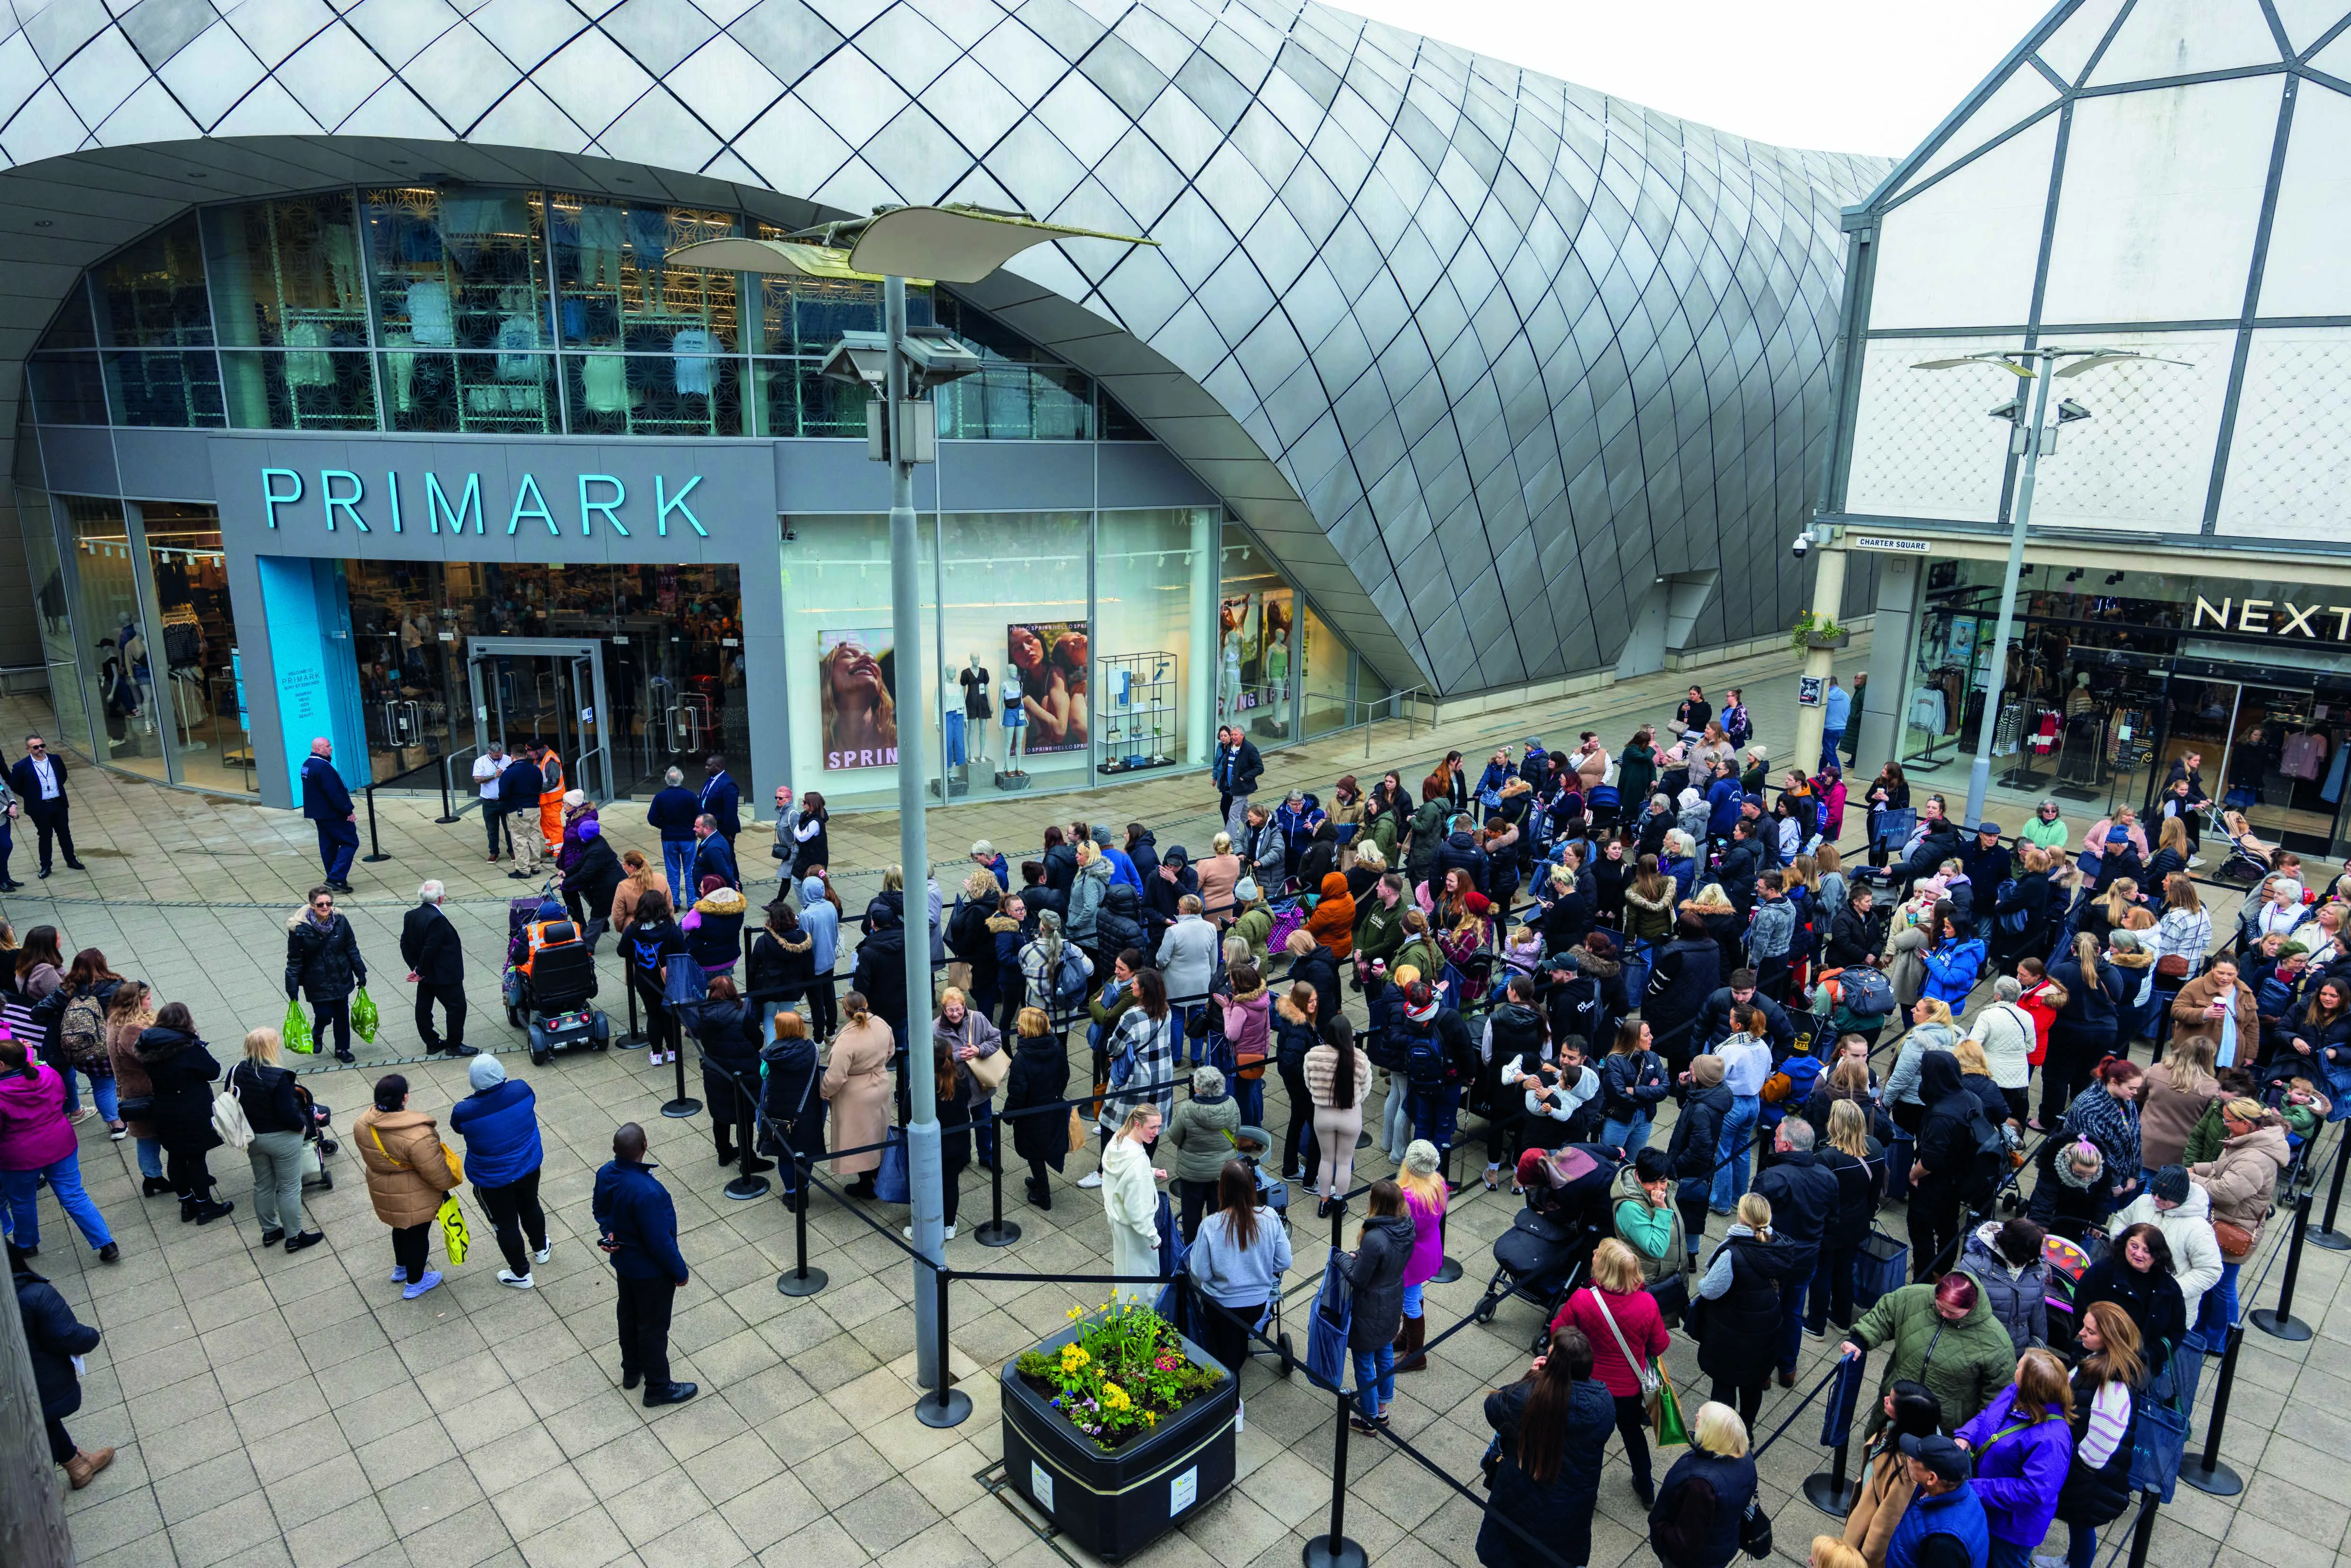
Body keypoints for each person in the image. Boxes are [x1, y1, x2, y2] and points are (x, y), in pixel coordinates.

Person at [1480, 1323, 1616, 1567]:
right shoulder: (1603, 1402)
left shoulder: (1529, 1397)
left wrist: (1531, 1378)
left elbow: (1494, 1407)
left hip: (1521, 1499)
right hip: (1571, 1506)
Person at [1559, 1237, 1671, 1504]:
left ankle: (1588, 1495)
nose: (1594, 1253)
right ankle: (1646, 1488)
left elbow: (1559, 1334)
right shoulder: (1647, 1303)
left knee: (1590, 1442)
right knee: (1633, 1435)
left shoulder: (1583, 1298)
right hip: (1629, 1389)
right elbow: (1659, 1345)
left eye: (1598, 1253)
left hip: (1590, 1386)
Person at [593, 1122, 696, 1405]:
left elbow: (600, 1209)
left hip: (625, 1263)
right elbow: (659, 1241)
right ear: (645, 1146)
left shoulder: (605, 1173)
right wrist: (680, 1271)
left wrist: (608, 1231)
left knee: (628, 1316)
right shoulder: (648, 1192)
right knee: (652, 1328)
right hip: (651, 1272)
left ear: (615, 1150)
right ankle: (658, 1388)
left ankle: (632, 1370)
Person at [1843, 1273, 2017, 1436]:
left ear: (1972, 1307)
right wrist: (1860, 1340)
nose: (1944, 1314)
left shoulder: (1996, 1341)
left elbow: (1997, 1396)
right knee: (1878, 1455)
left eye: (1952, 1313)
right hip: (1894, 1407)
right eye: (1940, 1307)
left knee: (1918, 1467)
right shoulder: (1912, 1297)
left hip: (1941, 1426)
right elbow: (1884, 1315)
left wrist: (1972, 1434)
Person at [0, 1030, 118, 1260]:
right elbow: (62, 1097)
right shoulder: (46, 1073)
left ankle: (27, 1244)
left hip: (19, 1157)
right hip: (61, 1145)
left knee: (22, 1201)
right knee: (74, 1195)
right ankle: (106, 1243)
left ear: (2, 1065)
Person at [1955, 1348, 2075, 1568]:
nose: (2015, 1368)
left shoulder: (2052, 1439)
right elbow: (1988, 1415)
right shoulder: (2014, 1392)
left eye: (2020, 1366)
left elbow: (2033, 1491)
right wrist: (1966, 1436)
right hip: (1984, 1509)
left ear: (2031, 1386)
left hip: (2010, 1532)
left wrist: (1973, 1488)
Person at [2186, 1097, 2287, 1341]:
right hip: (2227, 1222)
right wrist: (2195, 1169)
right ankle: (2204, 1334)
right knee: (2214, 1283)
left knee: (2222, 1287)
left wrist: (2190, 1179)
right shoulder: (2249, 1144)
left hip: (2234, 1227)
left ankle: (2222, 1341)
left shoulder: (2256, 1158)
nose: (2225, 1124)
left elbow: (2226, 1191)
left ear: (2246, 1123)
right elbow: (2224, 1167)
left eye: (2228, 1120)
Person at [11, 1247, 111, 1488]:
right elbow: (69, 1336)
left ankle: (77, 1464)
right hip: (33, 1380)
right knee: (39, 1419)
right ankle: (44, 1489)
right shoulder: (34, 1294)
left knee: (41, 1420)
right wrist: (92, 1336)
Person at [352, 1072, 458, 1298]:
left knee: (400, 1226)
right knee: (417, 1235)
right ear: (405, 1099)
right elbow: (438, 1175)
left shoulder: (363, 1123)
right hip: (414, 1192)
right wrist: (450, 1182)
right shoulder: (418, 1134)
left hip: (383, 1186)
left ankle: (401, 1268)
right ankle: (416, 1282)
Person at [2054, 1302, 2143, 1568]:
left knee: (2082, 1526)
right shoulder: (2102, 1361)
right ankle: (2071, 1561)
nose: (2081, 1333)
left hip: (2088, 1479)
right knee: (2079, 1524)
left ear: (2110, 1339)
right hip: (2086, 1479)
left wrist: (2072, 1468)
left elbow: (2097, 1451)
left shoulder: (2112, 1386)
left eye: (2090, 1331)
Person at [448, 1053, 548, 1287]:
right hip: (529, 1166)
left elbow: (458, 1129)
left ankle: (521, 1274)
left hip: (492, 1180)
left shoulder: (464, 1111)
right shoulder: (522, 1090)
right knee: (531, 1205)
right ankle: (541, 1248)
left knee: (506, 1225)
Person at [1186, 1156, 1291, 1374]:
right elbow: (1284, 1261)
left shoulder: (1211, 1225)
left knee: (1227, 1355)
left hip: (1220, 1305)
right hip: (1257, 1304)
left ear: (1222, 1189)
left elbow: (1200, 1272)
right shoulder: (1270, 1217)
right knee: (1237, 1345)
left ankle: (1231, 1397)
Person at [1755, 1115, 1840, 1381]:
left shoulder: (1771, 1178)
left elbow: (1754, 1225)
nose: (1775, 1140)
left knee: (1767, 1312)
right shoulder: (1828, 1178)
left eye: (1778, 1137)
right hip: (1806, 1259)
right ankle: (1788, 1368)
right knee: (1793, 1312)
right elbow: (1832, 1221)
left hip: (1774, 1259)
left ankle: (1764, 1369)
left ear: (1787, 1146)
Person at [1696, 1192, 1792, 1423]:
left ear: (1742, 1218)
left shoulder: (1733, 1253)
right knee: (1753, 1386)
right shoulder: (1779, 1247)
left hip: (1731, 1335)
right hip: (1765, 1333)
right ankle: (1746, 1431)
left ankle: (1720, 1438)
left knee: (1724, 1386)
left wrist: (1700, 1282)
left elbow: (1709, 1290)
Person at [138, 1001, 233, 1225]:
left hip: (164, 1108)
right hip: (191, 1109)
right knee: (196, 1156)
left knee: (176, 1155)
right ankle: (205, 1205)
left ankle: (187, 1203)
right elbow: (213, 1071)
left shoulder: (147, 1046)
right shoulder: (188, 1048)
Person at [230, 1026, 321, 1253]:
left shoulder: (236, 1071)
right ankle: (294, 1237)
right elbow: (286, 1112)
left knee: (263, 1185)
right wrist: (301, 1128)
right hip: (282, 1138)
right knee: (290, 1187)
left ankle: (270, 1231)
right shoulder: (281, 1076)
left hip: (252, 1138)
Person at [2105, 1164, 2223, 1329]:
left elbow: (2210, 1271)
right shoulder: (2143, 1203)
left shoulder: (2199, 1229)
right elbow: (2122, 1221)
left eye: (2165, 1197)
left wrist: (2170, 1291)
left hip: (2166, 1312)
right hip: (2127, 1295)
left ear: (2180, 1198)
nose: (2157, 1199)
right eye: (2154, 1192)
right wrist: (2121, 1248)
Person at [1909, 1053, 1990, 1282]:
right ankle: (1941, 1270)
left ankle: (1923, 1279)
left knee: (1921, 1230)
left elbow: (1932, 1159)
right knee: (1949, 1225)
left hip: (1935, 1182)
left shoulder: (1942, 1115)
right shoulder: (1970, 1098)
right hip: (1959, 1177)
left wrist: (1914, 1174)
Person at [680, 976, 774, 1175]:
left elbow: (704, 1041)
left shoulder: (704, 1014)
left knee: (720, 1113)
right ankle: (748, 1160)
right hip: (745, 1071)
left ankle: (724, 1153)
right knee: (745, 1116)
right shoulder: (743, 1014)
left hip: (716, 1072)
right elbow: (758, 1041)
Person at [1844, 1382, 1944, 1568]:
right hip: (1865, 1515)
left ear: (1907, 1417)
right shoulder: (1914, 1432)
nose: (1886, 1400)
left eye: (1891, 1401)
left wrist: (1864, 1561)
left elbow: (1887, 1526)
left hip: (1865, 1542)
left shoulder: (1909, 1470)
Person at [1649, 1401, 1759, 1568]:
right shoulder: (1744, 1457)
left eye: (1702, 1418)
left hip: (1694, 1561)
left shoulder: (1702, 1486)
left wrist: (1660, 1528)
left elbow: (1683, 1541)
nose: (1697, 1416)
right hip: (1721, 1546)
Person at [1342, 1178, 1414, 1431]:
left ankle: (1369, 1418)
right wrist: (1361, 1258)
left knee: (1363, 1363)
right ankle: (1382, 1410)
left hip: (1370, 1307)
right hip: (1393, 1300)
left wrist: (1345, 1260)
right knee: (1384, 1355)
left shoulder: (1374, 1238)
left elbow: (1358, 1279)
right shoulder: (1407, 1227)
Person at [2071, 1223, 2186, 1375]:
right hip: (2093, 1361)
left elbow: (2176, 1331)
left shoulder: (2169, 1288)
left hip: (2139, 1369)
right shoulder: (2101, 1273)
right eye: (2134, 1247)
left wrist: (2149, 1355)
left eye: (2147, 1250)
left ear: (2158, 1254)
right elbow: (2080, 1312)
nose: (2138, 1254)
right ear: (2124, 1244)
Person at [2038, 935, 2124, 1131]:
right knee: (2086, 1076)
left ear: (2072, 949)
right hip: (2103, 1033)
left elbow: (2047, 998)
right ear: (2099, 951)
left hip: (2067, 1032)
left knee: (2056, 1077)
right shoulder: (2111, 972)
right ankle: (2081, 1120)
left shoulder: (2062, 970)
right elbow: (2119, 997)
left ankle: (2049, 1121)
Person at [822, 990, 895, 1199]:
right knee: (878, 1133)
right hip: (879, 1083)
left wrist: (824, 1092)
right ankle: (878, 1173)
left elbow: (835, 1077)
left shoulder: (846, 1040)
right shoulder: (881, 1023)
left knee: (860, 1139)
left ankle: (865, 1184)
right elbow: (891, 1051)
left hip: (855, 1094)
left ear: (845, 1011)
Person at [1883, 1433, 1992, 1568]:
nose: (1910, 1459)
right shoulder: (1964, 1492)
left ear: (1931, 1479)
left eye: (1916, 1459)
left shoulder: (1945, 1544)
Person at [285, 884, 366, 1066]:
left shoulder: (340, 921)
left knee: (342, 1015)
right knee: (324, 1014)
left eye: (329, 903)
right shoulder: (299, 929)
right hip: (316, 980)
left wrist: (360, 972)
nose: (325, 908)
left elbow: (351, 947)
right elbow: (294, 960)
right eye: (321, 904)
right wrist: (291, 987)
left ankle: (342, 1049)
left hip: (340, 976)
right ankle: (318, 1031)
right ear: (312, 905)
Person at [1002, 1006, 1071, 1210]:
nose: (1017, 1026)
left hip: (1031, 1114)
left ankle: (1044, 1194)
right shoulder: (1056, 1046)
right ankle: (1039, 1183)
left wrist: (1008, 1115)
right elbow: (1064, 1074)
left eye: (1020, 1024)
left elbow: (1017, 1093)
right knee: (1042, 1148)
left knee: (1034, 1153)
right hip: (1051, 1106)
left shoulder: (1022, 1059)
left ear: (1029, 1030)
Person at [2057, 1057, 2143, 1215]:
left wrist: (2134, 1174)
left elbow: (2135, 1136)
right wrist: (2114, 1183)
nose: (2136, 1093)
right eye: (2132, 1088)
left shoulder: (2125, 1098)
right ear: (2113, 1082)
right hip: (2089, 1180)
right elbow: (2096, 1152)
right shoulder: (2089, 1107)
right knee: (2084, 1221)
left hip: (2116, 1178)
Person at [1164, 1064, 1241, 1241]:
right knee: (1219, 1216)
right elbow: (1236, 1130)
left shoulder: (1186, 1110)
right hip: (1223, 1172)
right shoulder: (1232, 1105)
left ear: (1197, 1088)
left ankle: (1192, 1252)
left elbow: (1174, 1137)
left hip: (1193, 1173)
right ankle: (1216, 1249)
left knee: (1191, 1216)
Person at [1306, 1016, 1372, 1215]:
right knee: (1344, 1162)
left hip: (1323, 1114)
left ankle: (1324, 1201)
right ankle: (1339, 1202)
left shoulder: (1314, 1056)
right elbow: (1366, 1089)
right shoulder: (1359, 1059)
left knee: (1326, 1159)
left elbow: (1309, 1084)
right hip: (1350, 1115)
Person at [399, 880, 472, 1058]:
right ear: (441, 898)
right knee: (457, 1008)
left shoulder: (411, 915)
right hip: (443, 975)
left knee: (423, 1009)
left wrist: (416, 969)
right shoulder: (437, 919)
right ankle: (454, 1045)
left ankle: (432, 1043)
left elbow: (404, 944)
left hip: (425, 975)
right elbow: (431, 948)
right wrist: (419, 971)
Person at [1101, 1103, 1165, 1305]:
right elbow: (1140, 1213)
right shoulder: (1137, 1164)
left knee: (1124, 1270)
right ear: (1138, 1124)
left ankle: (1124, 1309)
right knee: (1144, 1279)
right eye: (1152, 1128)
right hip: (1135, 1229)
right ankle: (1140, 1321)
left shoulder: (1119, 1138)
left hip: (1117, 1218)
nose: (1156, 1133)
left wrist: (1151, 1171)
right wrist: (1154, 1238)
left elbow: (1124, 1174)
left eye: (1158, 1127)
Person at [1958, 1217, 2048, 1355]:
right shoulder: (1973, 1268)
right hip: (1978, 1353)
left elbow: (2039, 1321)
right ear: (2021, 1251)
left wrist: (2035, 1355)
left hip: (2016, 1355)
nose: (2042, 1253)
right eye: (2038, 1248)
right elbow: (1959, 1319)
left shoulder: (2036, 1273)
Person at [9, 735, 82, 879]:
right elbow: (16, 786)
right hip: (40, 807)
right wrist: (32, 796)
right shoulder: (21, 766)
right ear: (28, 749)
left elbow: (63, 776)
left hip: (58, 803)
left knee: (65, 833)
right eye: (36, 747)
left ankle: (71, 860)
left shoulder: (55, 759)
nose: (40, 749)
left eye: (42, 745)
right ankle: (46, 866)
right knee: (45, 836)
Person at [298, 736, 359, 891]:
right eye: (327, 746)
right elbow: (335, 793)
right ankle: (336, 878)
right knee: (350, 842)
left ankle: (335, 877)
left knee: (328, 846)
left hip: (319, 813)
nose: (331, 748)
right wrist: (348, 810)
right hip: (332, 814)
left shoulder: (307, 765)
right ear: (318, 750)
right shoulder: (323, 768)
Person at [1600, 1016, 1671, 1151]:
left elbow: (1665, 1088)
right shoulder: (1615, 1061)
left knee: (1633, 1164)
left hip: (1645, 1120)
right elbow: (1618, 1094)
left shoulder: (1652, 1057)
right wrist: (1650, 1093)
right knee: (1610, 1163)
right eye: (1646, 1035)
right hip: (1619, 1121)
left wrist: (1634, 1091)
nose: (1652, 1037)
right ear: (1633, 1039)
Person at [499, 742, 545, 876]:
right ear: (526, 755)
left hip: (518, 809)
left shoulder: (509, 773)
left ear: (512, 756)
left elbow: (503, 794)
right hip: (535, 807)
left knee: (520, 838)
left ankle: (523, 869)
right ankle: (535, 865)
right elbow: (540, 787)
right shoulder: (536, 769)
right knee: (534, 836)